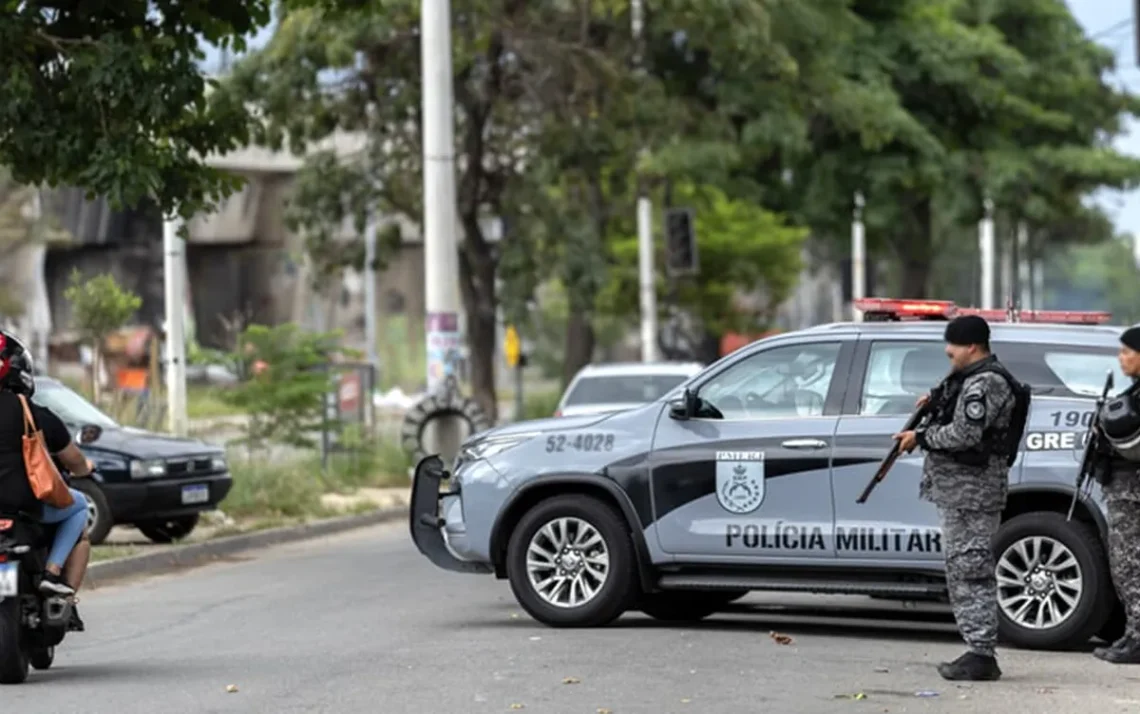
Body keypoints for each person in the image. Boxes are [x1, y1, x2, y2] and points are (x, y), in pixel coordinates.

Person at [893, 314, 1022, 682]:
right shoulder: (967, 380)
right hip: (960, 492)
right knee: (962, 569)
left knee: (972, 569)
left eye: (952, 351)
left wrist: (921, 437)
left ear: (971, 347)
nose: (948, 356)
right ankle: (976, 649)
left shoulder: (987, 383)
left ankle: (981, 654)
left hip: (973, 493)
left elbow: (966, 433)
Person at [0, 330, 94, 629]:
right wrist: (85, 469)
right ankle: (53, 575)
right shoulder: (31, 411)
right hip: (22, 507)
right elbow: (73, 459)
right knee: (79, 507)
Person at [1091, 325, 1140, 664]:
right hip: (1125, 489)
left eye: (1127, 352)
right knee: (1126, 565)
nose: (1121, 359)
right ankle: (1133, 634)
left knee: (1129, 565)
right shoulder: (1133, 392)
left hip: (1132, 491)